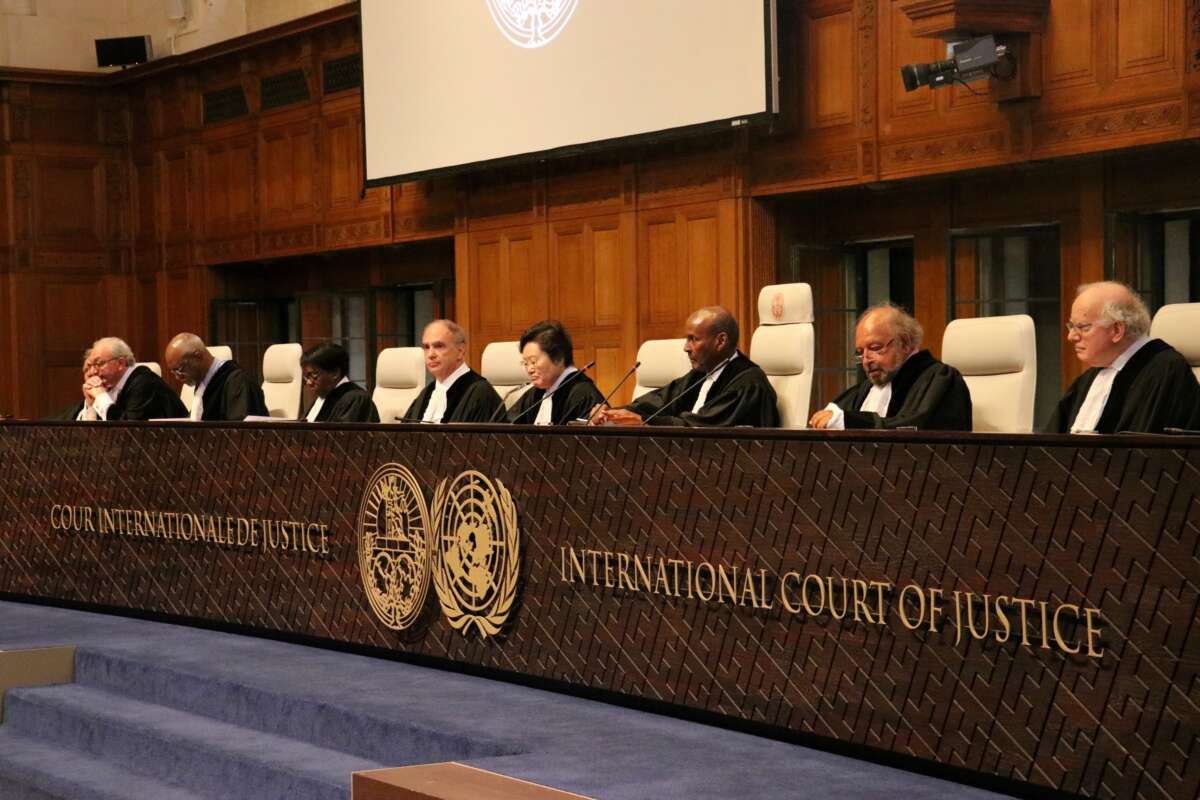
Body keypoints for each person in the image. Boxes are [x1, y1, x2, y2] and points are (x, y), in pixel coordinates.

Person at [1045, 281, 1199, 434]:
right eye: (1071, 326)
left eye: (1083, 327)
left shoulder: (1166, 371)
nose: (1071, 336)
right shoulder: (1090, 378)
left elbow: (1150, 450)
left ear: (1117, 330)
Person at [591, 306, 779, 427]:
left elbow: (704, 427)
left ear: (720, 341)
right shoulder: (702, 374)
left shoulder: (748, 383)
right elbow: (659, 401)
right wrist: (612, 413)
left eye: (693, 339)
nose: (685, 348)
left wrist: (645, 422)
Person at [809, 303, 971, 431]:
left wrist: (852, 421)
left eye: (874, 347)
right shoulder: (865, 389)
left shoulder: (940, 379)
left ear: (905, 343)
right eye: (860, 352)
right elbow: (834, 415)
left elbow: (917, 428)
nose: (866, 360)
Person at [402, 320, 502, 423]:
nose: (430, 354)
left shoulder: (481, 393)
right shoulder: (426, 393)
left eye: (439, 346)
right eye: (426, 347)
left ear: (460, 351)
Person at [507, 320, 603, 424]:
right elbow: (505, 428)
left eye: (533, 362)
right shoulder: (535, 394)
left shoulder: (583, 395)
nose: (529, 369)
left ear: (558, 357)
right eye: (525, 363)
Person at [163, 333, 267, 421]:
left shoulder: (237, 382)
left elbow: (240, 431)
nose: (178, 377)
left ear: (198, 356)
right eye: (173, 372)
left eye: (180, 369)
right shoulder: (204, 382)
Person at [81, 337, 188, 421]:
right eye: (92, 365)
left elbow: (127, 432)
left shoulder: (145, 383)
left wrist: (100, 397)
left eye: (100, 363)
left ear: (120, 363)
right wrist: (91, 404)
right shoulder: (112, 387)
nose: (94, 371)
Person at [300, 342, 379, 423]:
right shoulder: (322, 397)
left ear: (335, 373)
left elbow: (342, 434)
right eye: (306, 377)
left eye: (314, 375)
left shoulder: (356, 399)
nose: (309, 382)